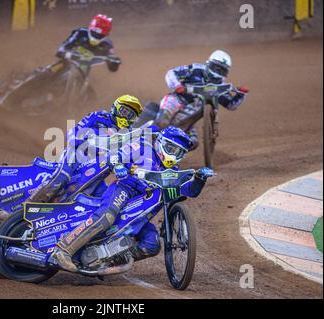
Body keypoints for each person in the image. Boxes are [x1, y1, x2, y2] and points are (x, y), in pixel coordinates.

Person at [50, 126, 215, 272]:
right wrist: (119, 166)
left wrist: (199, 179)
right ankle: (64, 250)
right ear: (160, 143)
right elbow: (116, 155)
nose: (173, 154)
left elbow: (189, 191)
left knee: (152, 244)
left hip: (141, 211)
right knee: (107, 216)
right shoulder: (143, 147)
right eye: (171, 148)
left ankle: (102, 259)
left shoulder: (173, 171)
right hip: (124, 189)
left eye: (178, 152)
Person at [29, 95, 143, 203]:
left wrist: (125, 168)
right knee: (62, 176)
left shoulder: (128, 135)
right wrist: (87, 138)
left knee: (102, 198)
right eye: (124, 111)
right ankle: (30, 201)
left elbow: (126, 156)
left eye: (130, 115)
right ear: (115, 108)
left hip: (98, 169)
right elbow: (73, 132)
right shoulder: (97, 117)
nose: (125, 116)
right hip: (78, 154)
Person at [155, 50, 249, 149]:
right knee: (162, 122)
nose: (217, 73)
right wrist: (177, 85)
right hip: (176, 100)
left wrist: (241, 94)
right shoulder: (195, 69)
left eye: (222, 71)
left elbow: (231, 105)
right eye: (215, 68)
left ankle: (167, 158)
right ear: (208, 64)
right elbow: (171, 73)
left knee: (192, 143)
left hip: (189, 119)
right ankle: (145, 142)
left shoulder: (220, 87)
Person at [56, 14, 121, 72]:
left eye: (100, 35)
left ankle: (81, 83)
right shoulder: (81, 32)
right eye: (95, 33)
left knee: (85, 82)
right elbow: (66, 44)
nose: (96, 36)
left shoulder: (107, 44)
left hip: (84, 67)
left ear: (106, 35)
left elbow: (111, 61)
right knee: (53, 69)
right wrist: (62, 50)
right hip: (69, 61)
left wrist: (114, 63)